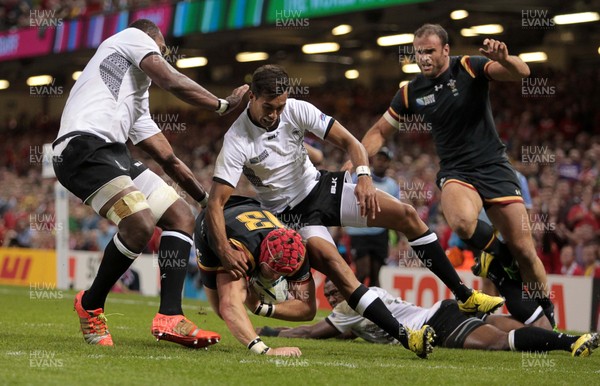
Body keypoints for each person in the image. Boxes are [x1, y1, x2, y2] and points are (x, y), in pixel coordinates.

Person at [205, 64, 504, 359]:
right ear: (252, 98)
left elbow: (351, 142)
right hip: (290, 216)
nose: (274, 114)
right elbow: (216, 202)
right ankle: (407, 337)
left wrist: (363, 176)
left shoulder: (296, 109)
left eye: (279, 107)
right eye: (268, 107)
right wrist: (223, 250)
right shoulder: (236, 140)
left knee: (407, 215)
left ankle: (464, 296)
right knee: (343, 272)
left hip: (320, 187)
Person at [52, 19, 248, 347]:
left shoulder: (136, 102)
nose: (162, 56)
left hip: (111, 152)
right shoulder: (132, 36)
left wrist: (205, 202)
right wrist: (223, 105)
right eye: (161, 50)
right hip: (80, 146)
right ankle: (90, 305)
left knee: (180, 216)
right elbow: (171, 80)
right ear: (151, 40)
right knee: (139, 224)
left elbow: (169, 160)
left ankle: (169, 316)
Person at [354, 23, 556, 326]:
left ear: (445, 50)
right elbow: (380, 131)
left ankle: (546, 310)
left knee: (526, 251)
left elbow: (522, 73)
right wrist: (357, 162)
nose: (423, 58)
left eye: (430, 51)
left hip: (494, 167)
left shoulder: (468, 67)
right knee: (461, 222)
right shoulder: (410, 92)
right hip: (457, 172)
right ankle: (500, 258)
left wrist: (504, 58)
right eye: (418, 52)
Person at [257, 280, 599, 357]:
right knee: (505, 327)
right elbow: (347, 334)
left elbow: (313, 331)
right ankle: (559, 333)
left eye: (335, 290)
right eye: (329, 294)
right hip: (444, 309)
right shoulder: (365, 294)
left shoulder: (348, 309)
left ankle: (569, 342)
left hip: (435, 324)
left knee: (498, 343)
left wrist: (270, 327)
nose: (332, 297)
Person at [194, 196, 315, 357]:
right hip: (213, 227)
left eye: (283, 274)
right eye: (274, 270)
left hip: (250, 208)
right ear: (263, 257)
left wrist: (261, 308)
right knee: (221, 309)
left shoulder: (295, 254)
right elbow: (229, 306)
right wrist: (265, 350)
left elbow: (308, 310)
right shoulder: (241, 253)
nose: (276, 277)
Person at [345, 147, 399, 287]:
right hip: (358, 231)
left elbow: (396, 211)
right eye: (378, 159)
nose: (381, 162)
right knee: (363, 272)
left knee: (376, 277)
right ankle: (353, 304)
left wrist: (398, 237)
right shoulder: (359, 178)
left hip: (380, 233)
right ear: (372, 160)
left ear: (389, 163)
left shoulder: (392, 185)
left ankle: (373, 307)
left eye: (384, 160)